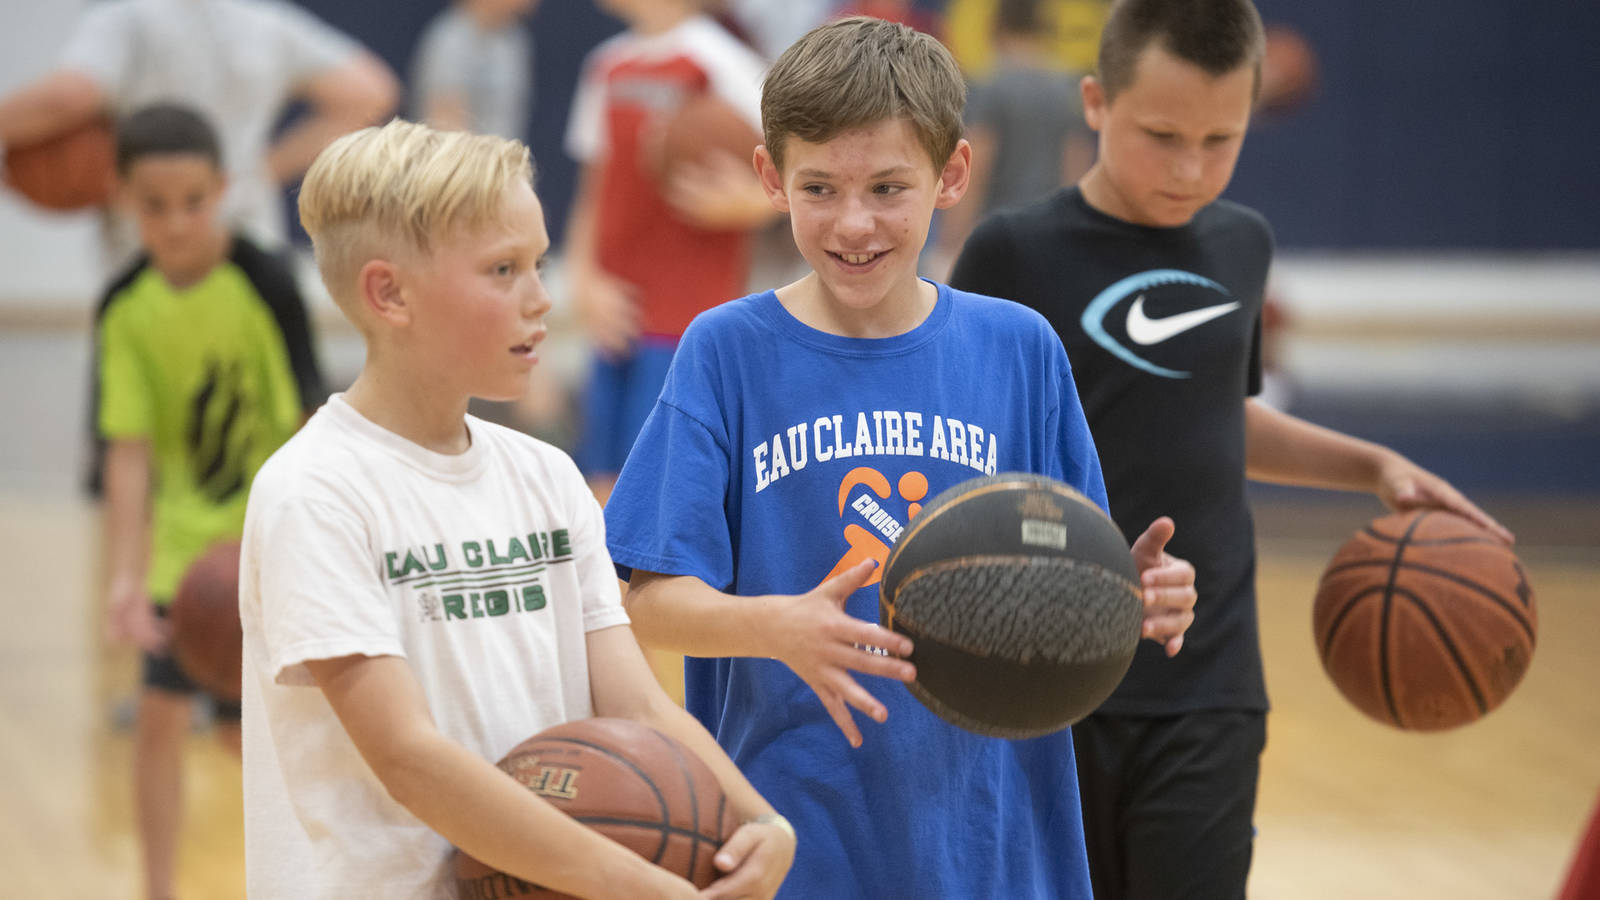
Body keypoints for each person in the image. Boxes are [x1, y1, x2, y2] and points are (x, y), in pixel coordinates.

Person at [602, 18, 1197, 898]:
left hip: (988, 841)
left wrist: (1129, 595)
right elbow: (645, 604)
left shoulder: (1017, 349)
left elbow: (1071, 578)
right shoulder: (726, 351)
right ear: (770, 179)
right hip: (790, 839)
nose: (854, 223)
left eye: (887, 186)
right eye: (819, 188)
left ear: (951, 174)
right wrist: (775, 626)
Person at [947, 1, 1514, 896]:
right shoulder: (1013, 255)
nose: (1190, 167)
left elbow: (1219, 417)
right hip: (1045, 684)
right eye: (1161, 134)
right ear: (1094, 102)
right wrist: (1059, 584)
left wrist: (1373, 465)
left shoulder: (1242, 244)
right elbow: (963, 467)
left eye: (1222, 139)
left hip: (1208, 686)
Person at [238, 118, 795, 899]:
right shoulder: (316, 491)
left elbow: (636, 704)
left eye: (539, 263)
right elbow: (407, 757)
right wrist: (637, 884)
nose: (542, 299)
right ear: (388, 292)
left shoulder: (546, 476)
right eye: (503, 270)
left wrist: (762, 825)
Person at [95, 102, 324, 900]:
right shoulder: (123, 309)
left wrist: (316, 549)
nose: (177, 222)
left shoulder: (263, 280)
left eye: (194, 201)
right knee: (157, 719)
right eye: (154, 205)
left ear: (223, 189)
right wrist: (125, 578)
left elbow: (306, 421)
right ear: (123, 197)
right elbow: (128, 454)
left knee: (262, 736)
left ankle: (325, 871)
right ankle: (157, 889)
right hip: (185, 559)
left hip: (267, 547)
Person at [0, 0, 397, 269]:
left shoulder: (126, 20)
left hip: (145, 254)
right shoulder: (263, 22)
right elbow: (370, 91)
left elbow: (70, 96)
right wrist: (261, 171)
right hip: (250, 245)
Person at [564, 0, 775, 500]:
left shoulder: (723, 60)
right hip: (615, 310)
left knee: (658, 484)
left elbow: (804, 166)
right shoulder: (606, 64)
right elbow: (593, 189)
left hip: (686, 313)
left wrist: (754, 203)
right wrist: (583, 281)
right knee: (598, 481)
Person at [931, 0, 1094, 274]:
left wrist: (950, 241)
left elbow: (976, 166)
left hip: (995, 233)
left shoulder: (991, 86)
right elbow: (1077, 165)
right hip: (1049, 233)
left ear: (996, 28)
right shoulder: (1067, 88)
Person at [409, 0, 538, 141]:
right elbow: (445, 127)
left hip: (505, 157)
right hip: (465, 159)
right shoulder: (451, 40)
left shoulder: (515, 41)